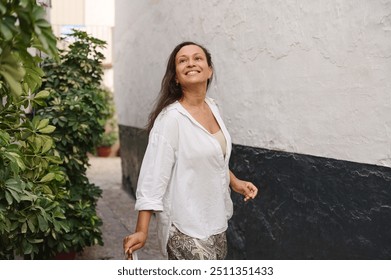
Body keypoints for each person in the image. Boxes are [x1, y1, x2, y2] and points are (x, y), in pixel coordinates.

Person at [123, 41, 258, 260]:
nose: (190, 63)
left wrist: (235, 182)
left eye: (197, 58)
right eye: (182, 60)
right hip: (184, 226)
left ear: (209, 70)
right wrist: (142, 229)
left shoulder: (213, 108)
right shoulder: (170, 119)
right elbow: (153, 176)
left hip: (216, 221)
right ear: (176, 76)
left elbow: (213, 157)